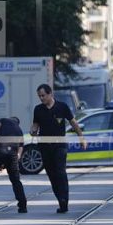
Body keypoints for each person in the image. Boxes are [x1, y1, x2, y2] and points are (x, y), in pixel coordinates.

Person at [30, 84, 87, 213]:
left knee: (60, 172)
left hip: (60, 145)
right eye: (39, 96)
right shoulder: (38, 109)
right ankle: (60, 199)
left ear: (50, 94)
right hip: (44, 146)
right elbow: (35, 124)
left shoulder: (62, 107)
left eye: (43, 95)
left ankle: (64, 201)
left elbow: (73, 122)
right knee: (51, 174)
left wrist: (81, 137)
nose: (41, 98)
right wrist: (33, 130)